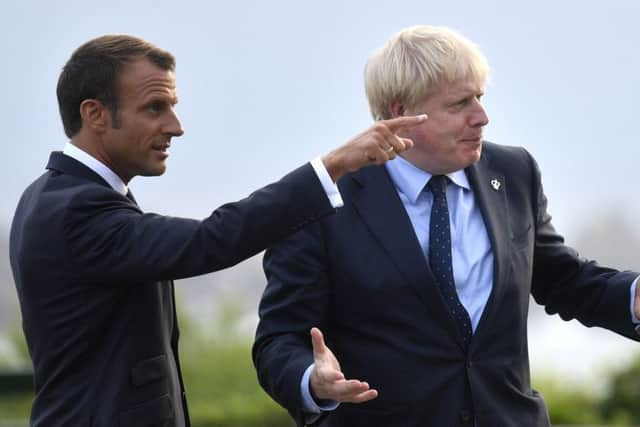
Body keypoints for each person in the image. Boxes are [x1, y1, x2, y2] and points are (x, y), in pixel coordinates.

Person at [8, 34, 427, 427]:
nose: (175, 126)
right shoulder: (77, 209)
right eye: (155, 107)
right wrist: (333, 166)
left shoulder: (52, 195)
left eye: (173, 106)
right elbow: (209, 241)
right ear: (95, 114)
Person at [252, 25, 640, 427]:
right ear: (401, 113)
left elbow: (562, 280)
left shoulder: (513, 172)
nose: (482, 117)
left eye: (480, 97)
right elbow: (278, 341)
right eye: (459, 104)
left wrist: (632, 296)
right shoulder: (320, 202)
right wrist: (311, 380)